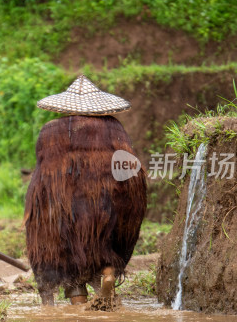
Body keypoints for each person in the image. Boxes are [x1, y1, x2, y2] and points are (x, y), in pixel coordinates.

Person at [24, 75, 147, 306]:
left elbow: (43, 178)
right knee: (102, 241)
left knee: (67, 252)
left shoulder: (50, 131)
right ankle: (107, 272)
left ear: (65, 106)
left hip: (67, 205)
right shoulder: (114, 128)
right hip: (107, 202)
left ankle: (78, 306)